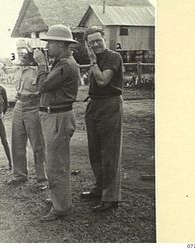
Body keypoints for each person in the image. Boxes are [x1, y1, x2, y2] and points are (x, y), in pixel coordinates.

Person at [33, 24, 79, 221]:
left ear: (61, 44)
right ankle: (59, 199)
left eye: (51, 42)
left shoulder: (66, 65)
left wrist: (41, 65)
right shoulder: (62, 62)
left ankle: (61, 207)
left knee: (56, 163)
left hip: (58, 117)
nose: (48, 46)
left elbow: (43, 85)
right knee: (57, 161)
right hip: (55, 116)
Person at [80, 26, 124, 212]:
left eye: (99, 40)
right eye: (92, 42)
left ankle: (111, 197)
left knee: (110, 151)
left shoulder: (113, 57)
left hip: (110, 104)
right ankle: (99, 187)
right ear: (87, 44)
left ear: (104, 39)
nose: (96, 44)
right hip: (94, 104)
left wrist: (92, 61)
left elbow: (103, 81)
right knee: (95, 150)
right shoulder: (95, 59)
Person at [8, 39, 47, 188]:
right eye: (18, 49)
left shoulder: (38, 68)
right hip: (19, 105)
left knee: (37, 143)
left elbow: (43, 87)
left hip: (33, 105)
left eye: (23, 49)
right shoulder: (17, 67)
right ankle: (19, 175)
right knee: (17, 141)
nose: (20, 52)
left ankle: (42, 178)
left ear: (30, 51)